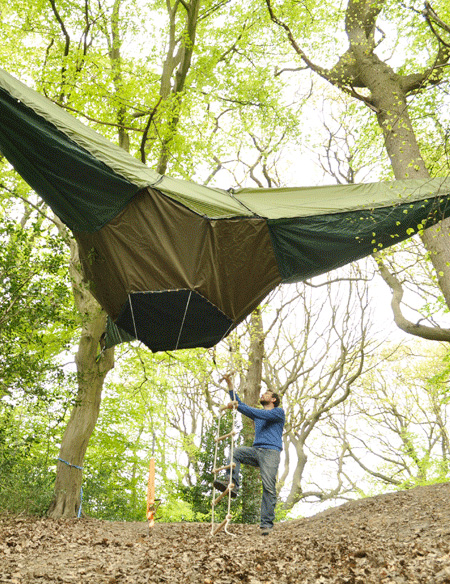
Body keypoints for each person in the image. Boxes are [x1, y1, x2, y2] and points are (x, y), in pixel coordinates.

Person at [214, 373, 285, 536]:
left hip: (271, 453)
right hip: (256, 451)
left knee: (268, 486)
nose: (262, 395)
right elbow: (240, 403)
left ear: (273, 400)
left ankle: (266, 524)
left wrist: (237, 406)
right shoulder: (258, 414)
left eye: (266, 394)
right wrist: (230, 384)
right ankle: (232, 484)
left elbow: (252, 411)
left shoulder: (278, 413)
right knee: (235, 453)